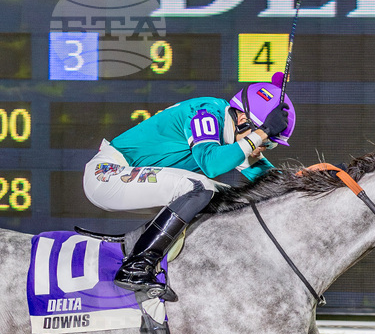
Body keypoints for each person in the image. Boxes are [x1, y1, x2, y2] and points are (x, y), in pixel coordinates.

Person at [83, 74, 296, 299]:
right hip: (106, 174)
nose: (263, 147)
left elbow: (269, 180)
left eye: (270, 145)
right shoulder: (206, 110)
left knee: (229, 195)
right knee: (200, 187)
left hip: (122, 179)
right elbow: (212, 164)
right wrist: (261, 134)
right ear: (243, 118)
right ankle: (135, 267)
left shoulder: (231, 137)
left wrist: (314, 178)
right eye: (267, 141)